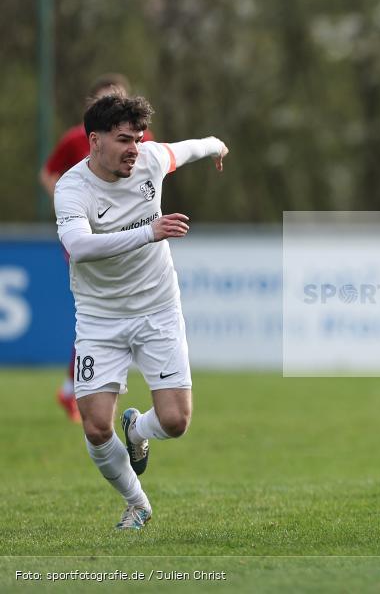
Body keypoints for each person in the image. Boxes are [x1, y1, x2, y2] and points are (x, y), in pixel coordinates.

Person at [54, 93, 228, 530]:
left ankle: (138, 431)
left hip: (157, 308)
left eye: (138, 138)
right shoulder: (72, 188)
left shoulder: (150, 159)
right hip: (99, 317)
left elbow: (187, 148)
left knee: (175, 421)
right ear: (94, 141)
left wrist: (216, 145)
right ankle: (137, 503)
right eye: (123, 140)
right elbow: (79, 247)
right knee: (95, 427)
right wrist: (149, 232)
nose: (134, 148)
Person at [40, 74, 155, 423]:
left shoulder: (141, 141)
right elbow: (48, 174)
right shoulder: (75, 138)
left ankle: (78, 387)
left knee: (120, 307)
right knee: (95, 307)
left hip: (129, 237)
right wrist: (67, 207)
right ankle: (78, 387)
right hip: (88, 237)